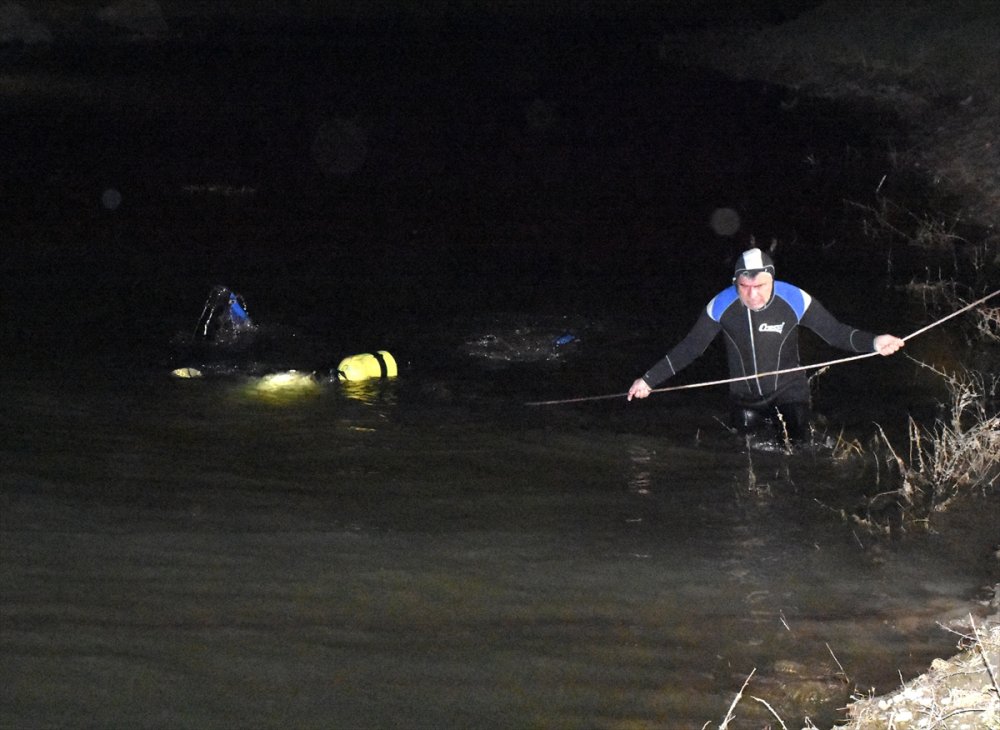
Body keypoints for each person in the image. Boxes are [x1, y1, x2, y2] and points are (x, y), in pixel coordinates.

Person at [627, 247, 905, 443]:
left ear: (771, 279)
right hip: (744, 399)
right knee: (744, 458)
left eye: (760, 285)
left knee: (796, 454)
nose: (753, 294)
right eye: (745, 286)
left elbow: (835, 333)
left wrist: (874, 342)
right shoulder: (721, 305)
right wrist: (649, 380)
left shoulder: (795, 299)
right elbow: (691, 348)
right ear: (735, 283)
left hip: (789, 394)